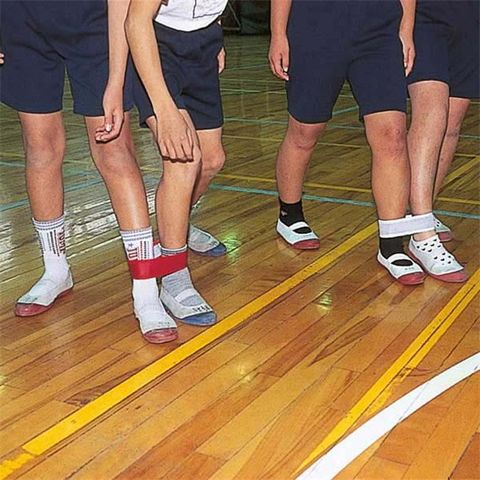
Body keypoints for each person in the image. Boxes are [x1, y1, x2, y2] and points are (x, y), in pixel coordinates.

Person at [0, 0, 195, 344]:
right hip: (20, 20)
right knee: (40, 148)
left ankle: (145, 289)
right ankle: (55, 270)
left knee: (114, 151)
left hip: (95, 23)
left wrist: (116, 80)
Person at [268, 0, 439, 285]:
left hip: (379, 29)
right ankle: (290, 214)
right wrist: (278, 33)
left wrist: (406, 29)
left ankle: (392, 245)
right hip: (315, 25)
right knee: (305, 131)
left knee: (392, 135)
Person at [125, 0, 228, 327]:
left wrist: (215, 33)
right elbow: (136, 21)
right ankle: (172, 274)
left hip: (203, 43)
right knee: (185, 159)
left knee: (211, 160)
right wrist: (164, 109)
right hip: (156, 44)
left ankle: (178, 224)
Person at [406, 0, 478, 282]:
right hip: (425, 15)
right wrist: (405, 27)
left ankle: (421, 211)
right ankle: (421, 233)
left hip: (470, 17)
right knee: (431, 114)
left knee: (451, 124)